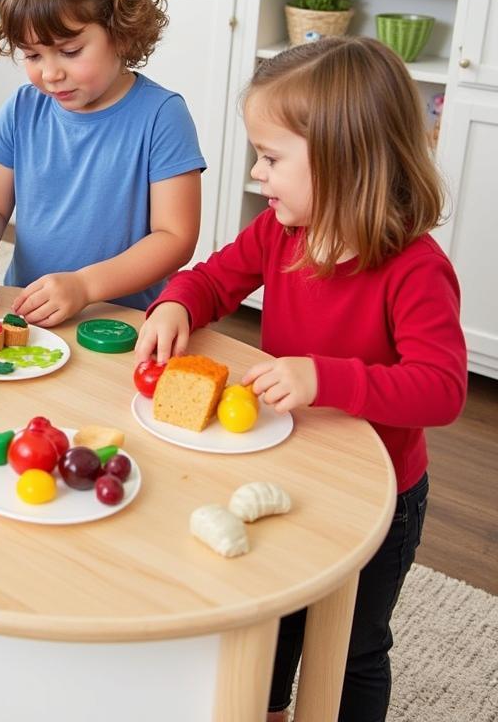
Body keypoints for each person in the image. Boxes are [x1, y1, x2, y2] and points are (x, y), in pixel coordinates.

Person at [135, 37, 467, 722]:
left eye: (272, 157)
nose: (258, 174)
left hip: (380, 495)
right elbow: (212, 278)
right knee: (277, 620)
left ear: (346, 159)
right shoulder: (281, 233)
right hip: (289, 471)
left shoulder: (414, 268)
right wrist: (176, 303)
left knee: (354, 648)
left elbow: (441, 388)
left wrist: (326, 377)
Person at [0, 0, 205, 326]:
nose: (50, 73)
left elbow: (175, 238)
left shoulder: (162, 116)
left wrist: (85, 285)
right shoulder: (24, 107)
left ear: (120, 28)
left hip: (118, 323)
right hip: (28, 310)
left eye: (69, 51)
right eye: (32, 56)